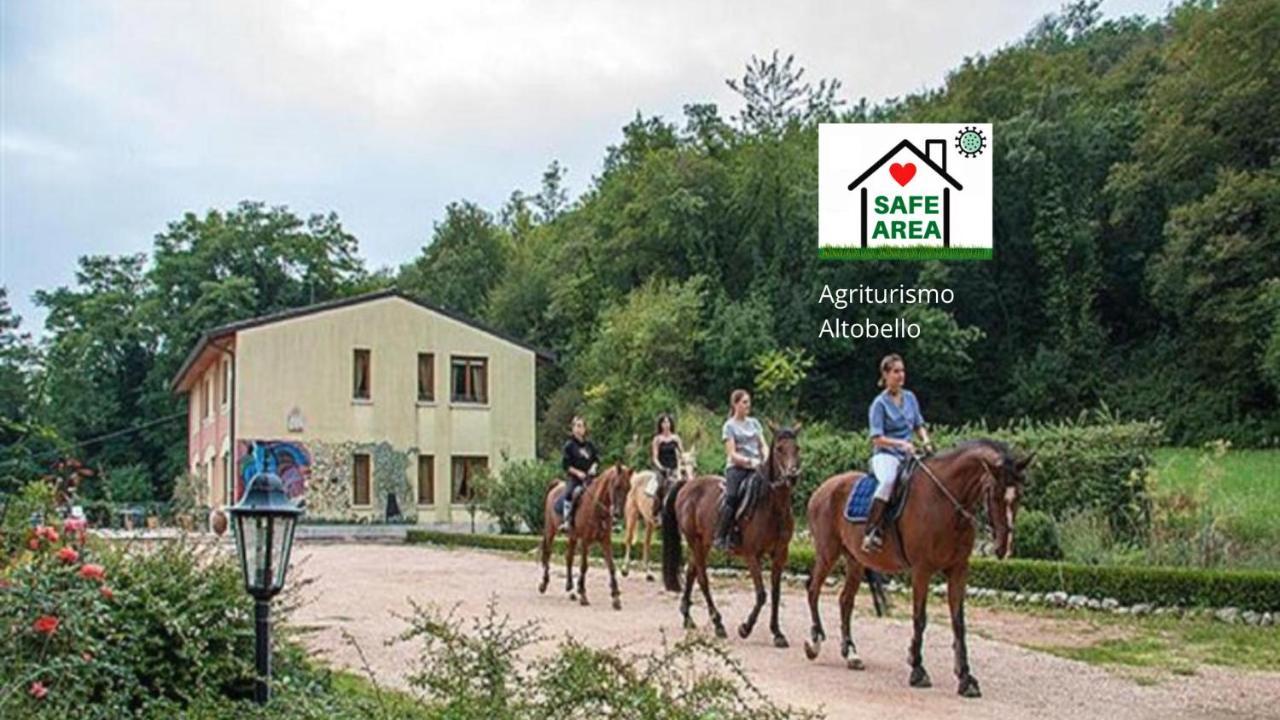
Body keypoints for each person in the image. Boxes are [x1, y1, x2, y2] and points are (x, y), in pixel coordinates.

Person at [863, 353, 933, 552]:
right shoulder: (878, 404)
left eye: (902, 371)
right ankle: (872, 529)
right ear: (885, 375)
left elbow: (919, 425)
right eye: (895, 372)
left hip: (909, 454)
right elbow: (877, 437)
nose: (900, 375)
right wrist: (901, 444)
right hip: (886, 455)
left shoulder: (910, 397)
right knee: (887, 481)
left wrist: (926, 441)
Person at [715, 389, 767, 551]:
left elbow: (763, 444)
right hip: (738, 468)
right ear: (735, 404)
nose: (748, 405)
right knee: (732, 497)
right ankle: (722, 535)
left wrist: (765, 457)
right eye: (744, 402)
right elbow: (732, 453)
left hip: (758, 466)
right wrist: (750, 461)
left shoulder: (755, 423)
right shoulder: (729, 426)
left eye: (749, 402)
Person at [560, 415, 600, 532]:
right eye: (577, 426)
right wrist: (578, 473)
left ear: (585, 429)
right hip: (575, 478)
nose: (579, 429)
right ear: (572, 428)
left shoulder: (590, 445)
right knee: (570, 493)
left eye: (581, 426)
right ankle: (567, 520)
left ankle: (609, 520)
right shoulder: (569, 446)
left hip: (590, 477)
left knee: (604, 492)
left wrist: (594, 467)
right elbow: (566, 465)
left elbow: (596, 459)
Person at [649, 412, 684, 516]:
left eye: (668, 422)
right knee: (659, 486)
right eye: (663, 422)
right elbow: (655, 457)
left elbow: (682, 454)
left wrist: (683, 465)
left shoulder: (676, 438)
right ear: (660, 425)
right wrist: (661, 468)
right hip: (663, 468)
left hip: (674, 468)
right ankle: (657, 511)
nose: (666, 424)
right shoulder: (657, 439)